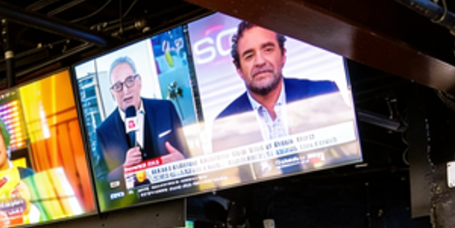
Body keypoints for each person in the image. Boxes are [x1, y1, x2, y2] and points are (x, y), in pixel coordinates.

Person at [211, 24, 351, 175]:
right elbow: (229, 183)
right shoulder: (223, 124)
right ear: (238, 69)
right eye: (249, 56)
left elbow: (350, 155)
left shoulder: (323, 93)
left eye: (268, 50)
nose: (259, 61)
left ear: (283, 56)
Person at [93, 56, 189, 200]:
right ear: (112, 92)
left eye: (129, 81)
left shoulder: (165, 109)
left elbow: (187, 155)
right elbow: (101, 183)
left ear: (139, 82)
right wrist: (124, 168)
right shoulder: (103, 132)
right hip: (133, 209)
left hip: (173, 198)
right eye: (118, 86)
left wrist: (182, 161)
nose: (125, 90)